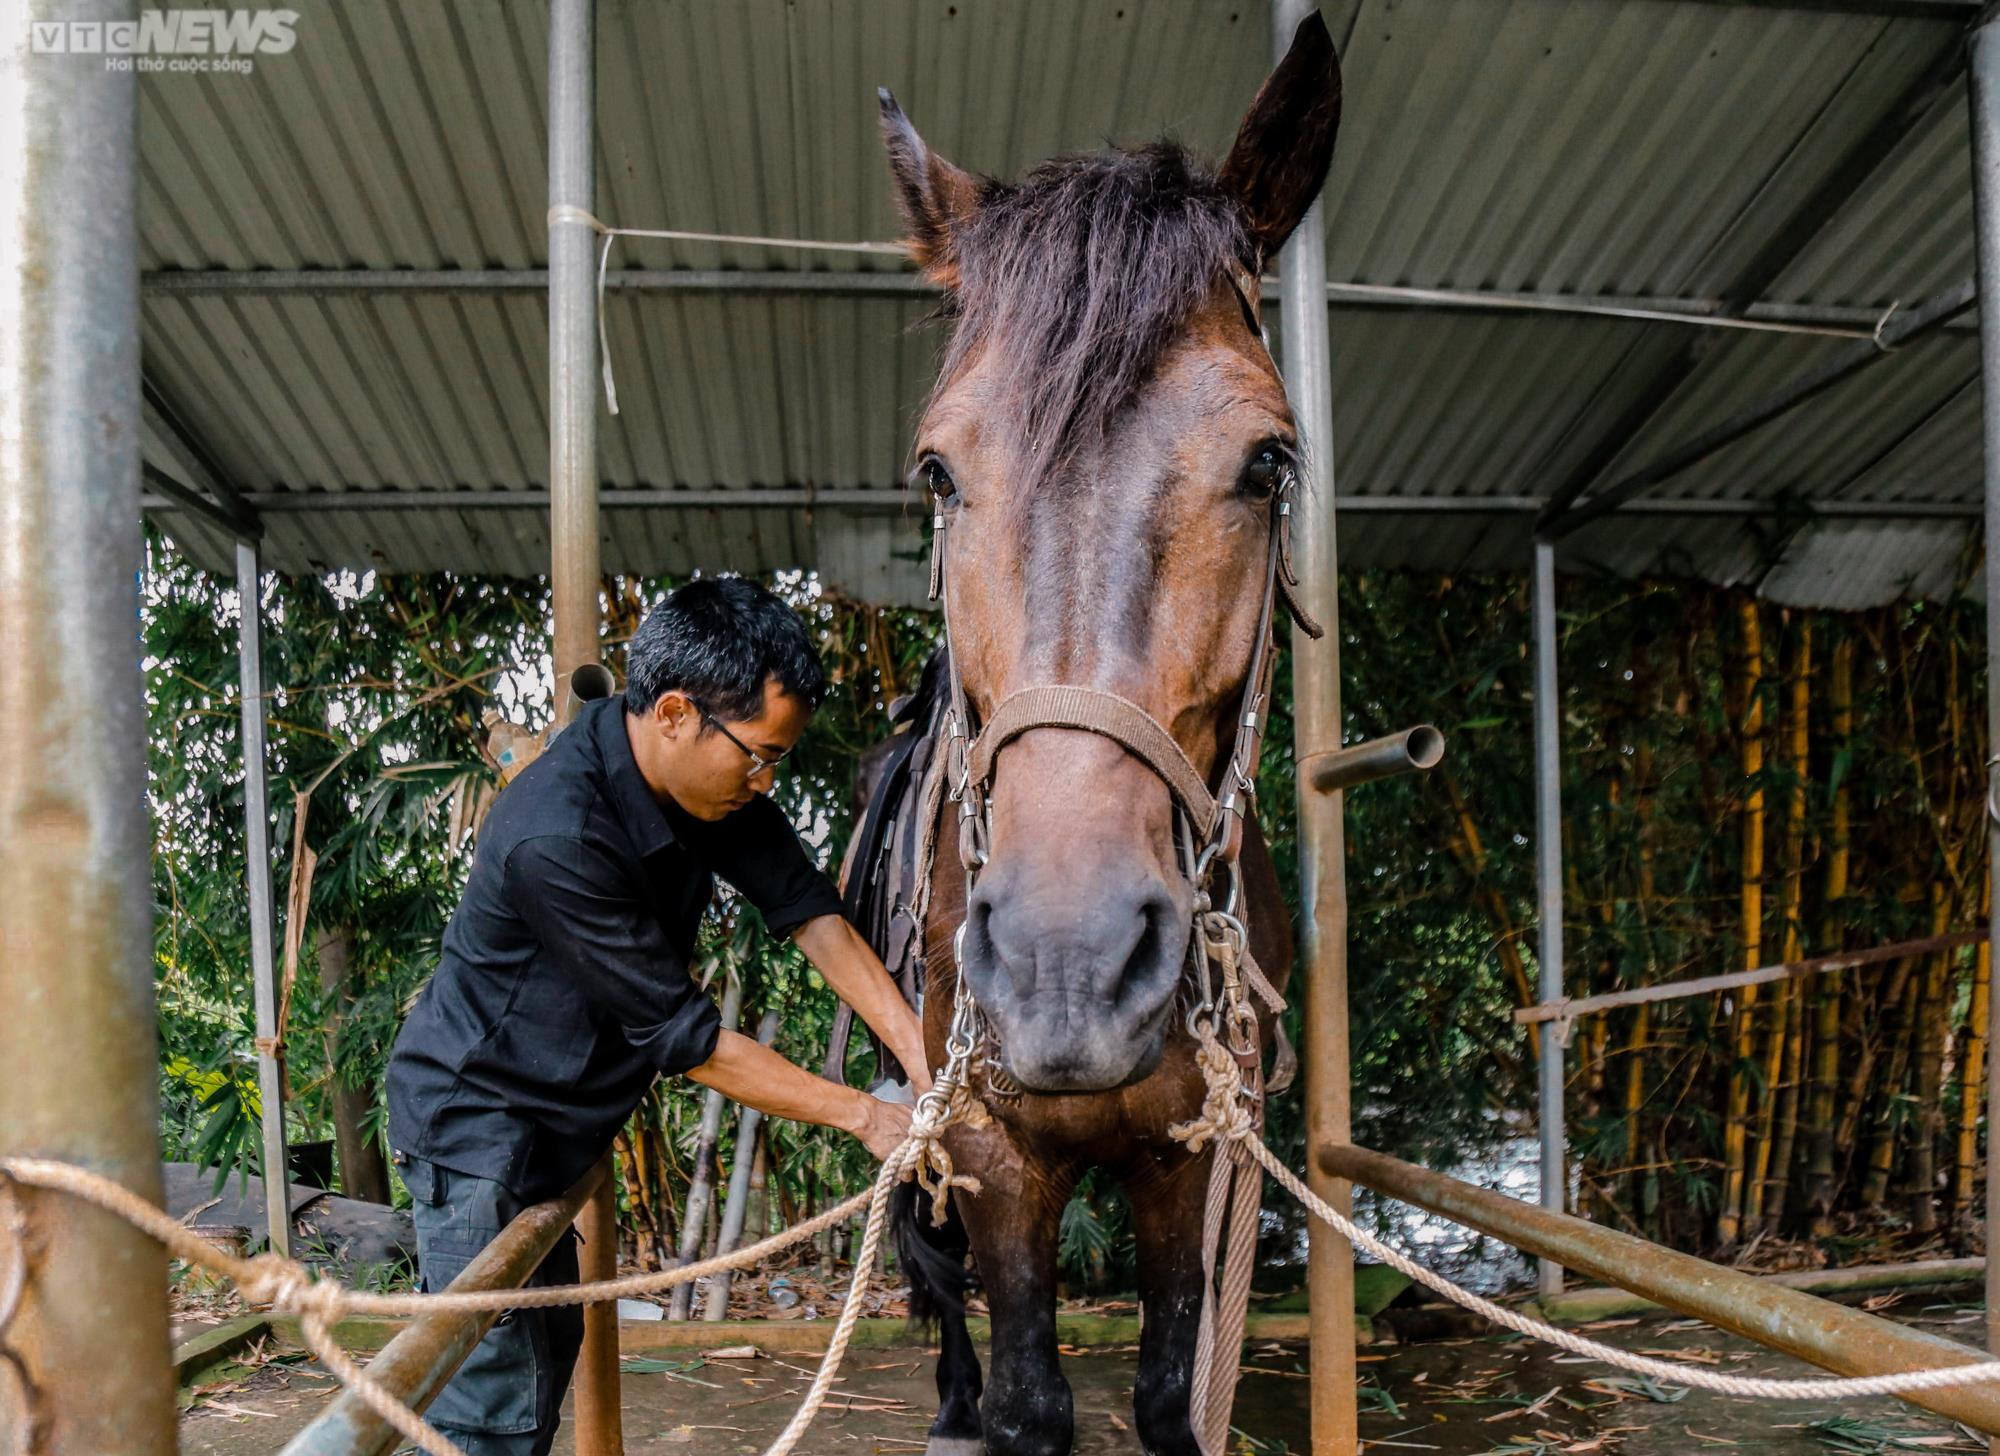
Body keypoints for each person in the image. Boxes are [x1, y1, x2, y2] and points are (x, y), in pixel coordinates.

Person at [385, 576, 929, 1456]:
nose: (765, 778)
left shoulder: (705, 784)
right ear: (676, 711)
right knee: (488, 1416)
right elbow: (692, 1042)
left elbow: (805, 910)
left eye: (778, 760)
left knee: (535, 1369)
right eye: (758, 753)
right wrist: (866, 1116)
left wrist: (916, 1050)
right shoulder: (556, 835)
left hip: (557, 1128)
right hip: (476, 1132)